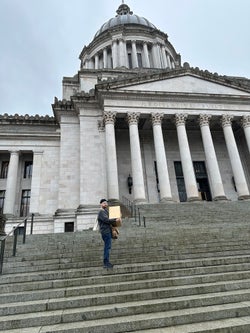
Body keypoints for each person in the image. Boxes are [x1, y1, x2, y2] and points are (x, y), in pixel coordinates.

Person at [98, 199, 121, 269]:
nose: (105, 204)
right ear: (101, 204)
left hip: (108, 231)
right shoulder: (101, 212)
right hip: (105, 231)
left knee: (108, 246)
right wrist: (115, 220)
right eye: (104, 203)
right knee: (107, 247)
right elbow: (106, 220)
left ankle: (107, 262)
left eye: (106, 203)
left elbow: (110, 218)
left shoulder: (106, 211)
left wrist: (117, 216)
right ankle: (106, 263)